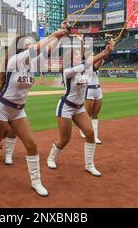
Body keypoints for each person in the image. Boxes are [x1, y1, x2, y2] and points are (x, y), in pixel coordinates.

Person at [0, 22, 68, 197]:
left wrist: (62, 34)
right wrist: (54, 35)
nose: (29, 46)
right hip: (2, 108)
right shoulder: (14, 60)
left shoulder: (33, 64)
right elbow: (37, 48)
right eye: (26, 44)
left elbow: (48, 49)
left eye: (30, 43)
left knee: (32, 145)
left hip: (19, 110)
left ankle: (36, 182)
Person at [47, 39, 114, 177]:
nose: (79, 56)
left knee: (90, 134)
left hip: (79, 108)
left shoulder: (86, 68)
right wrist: (103, 53)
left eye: (79, 54)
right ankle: (51, 157)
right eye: (76, 54)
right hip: (65, 107)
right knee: (65, 139)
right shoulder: (68, 71)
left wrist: (107, 51)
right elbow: (87, 64)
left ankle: (89, 165)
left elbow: (95, 66)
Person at [80, 53, 105, 144]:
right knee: (88, 114)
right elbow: (95, 67)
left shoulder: (93, 64)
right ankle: (83, 129)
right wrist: (102, 54)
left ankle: (95, 136)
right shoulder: (85, 65)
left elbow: (98, 65)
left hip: (98, 89)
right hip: (89, 89)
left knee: (95, 114)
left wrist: (104, 54)